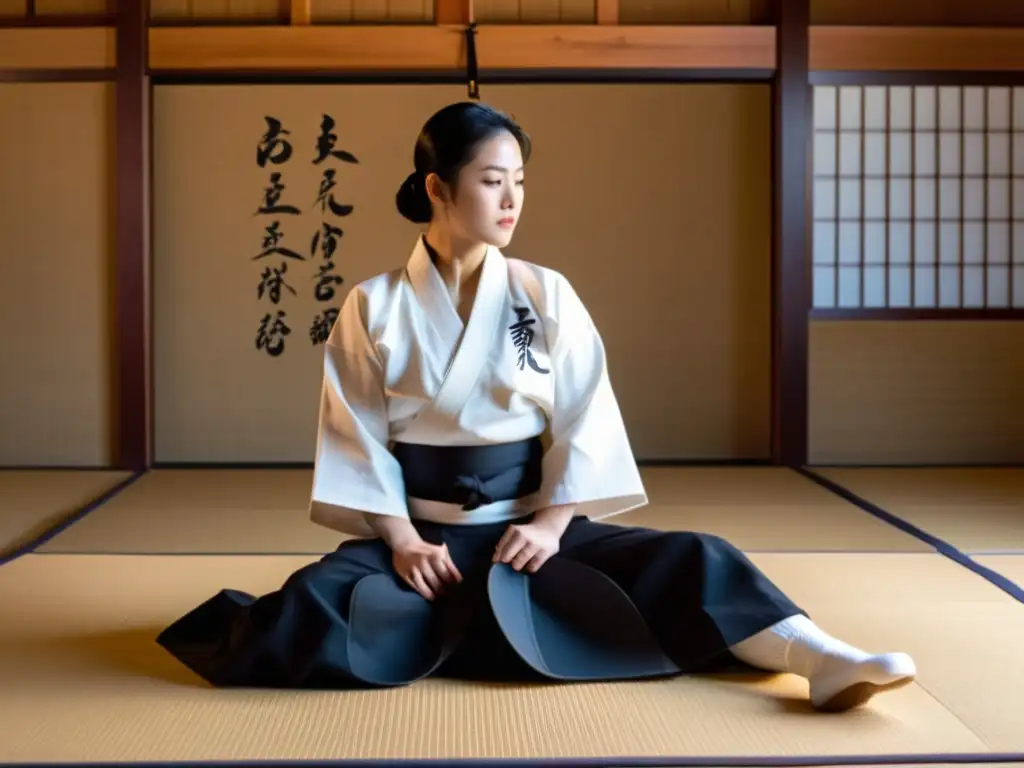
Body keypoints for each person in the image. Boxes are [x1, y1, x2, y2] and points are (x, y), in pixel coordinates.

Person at [157, 101, 916, 712]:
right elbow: (354, 437)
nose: (513, 197)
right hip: (424, 544)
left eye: (520, 178)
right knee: (306, 612)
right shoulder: (375, 304)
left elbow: (585, 418)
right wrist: (400, 542)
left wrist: (552, 525)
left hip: (532, 532)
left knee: (697, 557)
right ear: (437, 187)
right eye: (492, 179)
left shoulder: (543, 292)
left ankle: (822, 659)